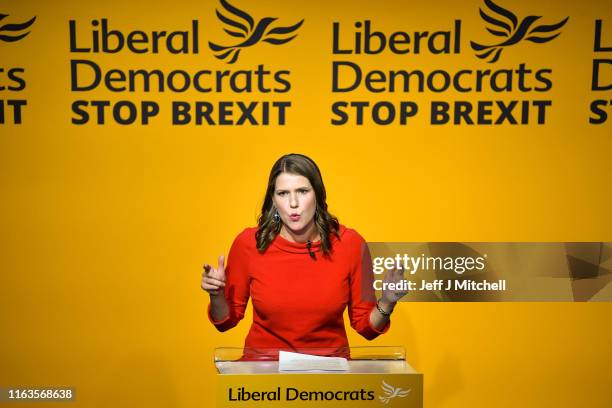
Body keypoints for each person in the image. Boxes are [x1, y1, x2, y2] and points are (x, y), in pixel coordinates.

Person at [201, 153, 405, 358]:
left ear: (318, 194)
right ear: (273, 199)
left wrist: (387, 302)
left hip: (328, 375)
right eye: (282, 193)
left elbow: (366, 328)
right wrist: (217, 295)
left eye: (302, 191)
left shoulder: (351, 244)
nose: (293, 203)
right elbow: (225, 323)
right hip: (263, 376)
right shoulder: (248, 243)